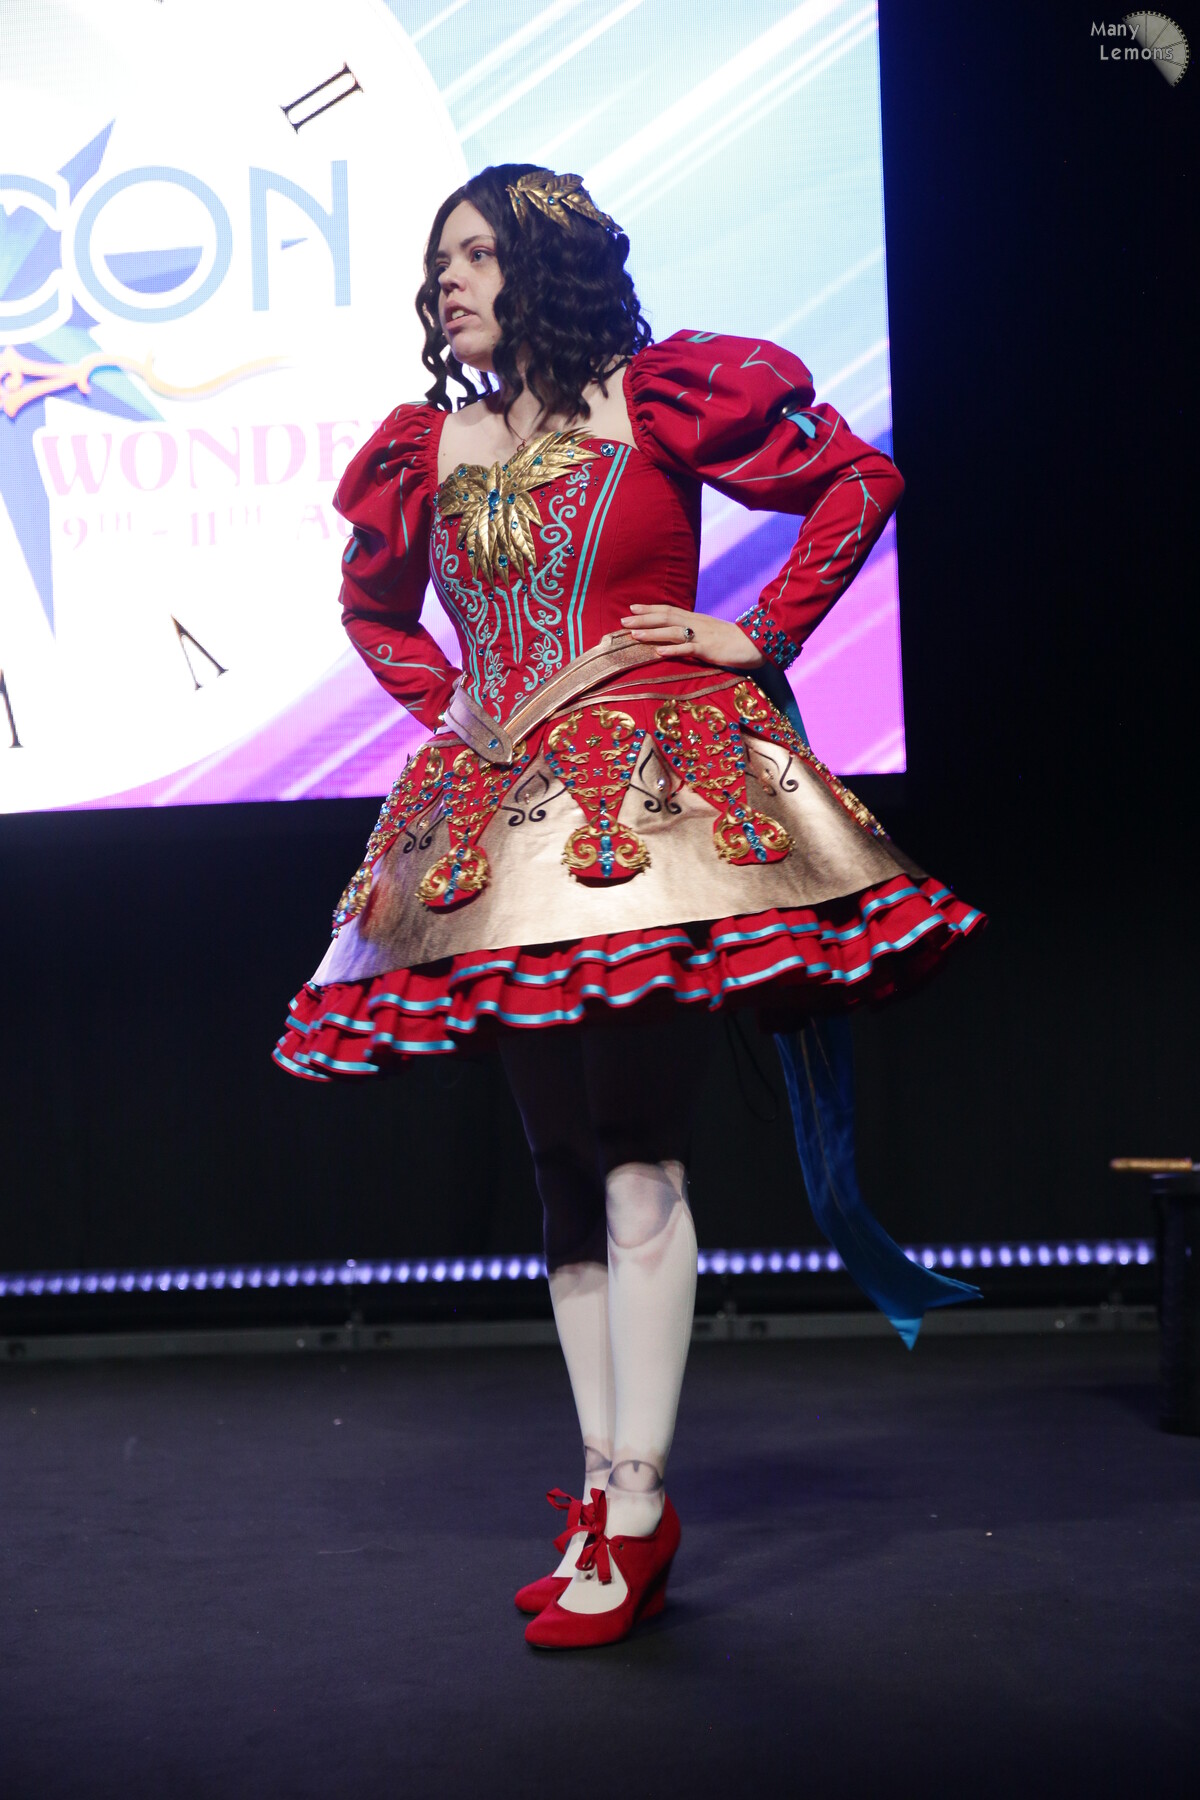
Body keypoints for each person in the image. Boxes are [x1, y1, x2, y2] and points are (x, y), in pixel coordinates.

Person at [273, 164, 983, 1650]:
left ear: (548, 263)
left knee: (639, 1152)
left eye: (478, 253)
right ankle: (604, 1494)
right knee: (557, 1163)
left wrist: (759, 630)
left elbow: (858, 479)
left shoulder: (656, 397)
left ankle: (642, 1501)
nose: (449, 280)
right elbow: (373, 609)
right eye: (439, 260)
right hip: (498, 812)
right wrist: (451, 699)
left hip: (654, 797)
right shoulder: (425, 443)